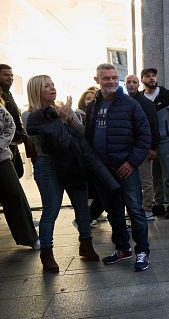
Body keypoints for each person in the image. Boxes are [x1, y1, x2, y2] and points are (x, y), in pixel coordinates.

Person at [25, 75, 115, 271]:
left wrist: (68, 119)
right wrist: (60, 120)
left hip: (72, 163)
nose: (51, 88)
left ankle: (86, 245)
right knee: (51, 210)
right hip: (48, 165)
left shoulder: (65, 110)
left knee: (82, 207)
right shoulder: (30, 115)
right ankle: (46, 253)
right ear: (35, 90)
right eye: (45, 86)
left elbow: (82, 133)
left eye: (52, 84)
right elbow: (41, 141)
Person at [86, 63, 152, 271]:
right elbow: (88, 137)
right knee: (113, 212)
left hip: (126, 168)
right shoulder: (92, 106)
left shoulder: (131, 104)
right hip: (103, 171)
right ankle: (122, 249)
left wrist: (131, 162)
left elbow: (145, 136)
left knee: (135, 210)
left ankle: (142, 251)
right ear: (97, 80)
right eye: (106, 78)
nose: (112, 81)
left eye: (115, 77)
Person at [141, 67, 169, 219]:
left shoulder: (166, 95)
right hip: (147, 143)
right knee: (153, 175)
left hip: (166, 140)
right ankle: (158, 204)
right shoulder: (140, 98)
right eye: (148, 76)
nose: (151, 78)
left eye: (153, 76)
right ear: (142, 80)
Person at [0, 94, 39, 250]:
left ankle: (29, 237)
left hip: (1, 159)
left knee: (15, 196)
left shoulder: (1, 108)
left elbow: (10, 127)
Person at [125, 74, 160, 221]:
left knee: (145, 179)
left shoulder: (147, 104)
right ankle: (134, 209)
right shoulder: (122, 102)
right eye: (129, 82)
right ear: (125, 84)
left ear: (138, 85)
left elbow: (153, 127)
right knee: (129, 181)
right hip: (126, 148)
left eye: (134, 82)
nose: (131, 84)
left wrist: (153, 147)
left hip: (143, 147)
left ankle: (147, 209)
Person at [0, 64, 36, 178]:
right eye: (6, 75)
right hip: (5, 145)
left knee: (18, 172)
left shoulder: (8, 94)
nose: (10, 78)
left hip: (13, 142)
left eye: (11, 75)